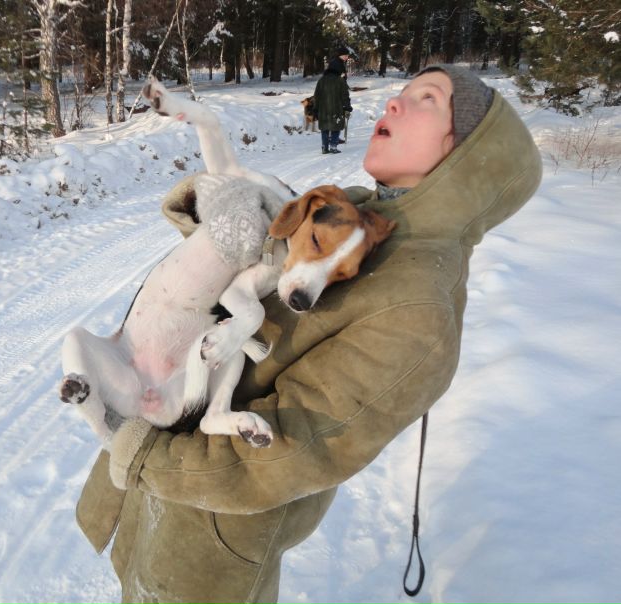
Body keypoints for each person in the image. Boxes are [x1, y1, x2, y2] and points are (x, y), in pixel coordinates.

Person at [73, 65, 542, 603]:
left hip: (206, 520)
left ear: (464, 153)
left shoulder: (418, 307)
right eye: (404, 91)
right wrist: (222, 216)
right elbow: (256, 263)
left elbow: (294, 449)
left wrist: (141, 456)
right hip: (169, 465)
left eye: (425, 100)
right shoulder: (366, 213)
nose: (394, 103)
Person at [313, 47, 352, 154]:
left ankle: (324, 147)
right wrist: (347, 106)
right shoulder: (339, 80)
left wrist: (315, 109)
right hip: (336, 106)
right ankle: (333, 146)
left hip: (323, 107)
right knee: (336, 126)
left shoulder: (321, 80)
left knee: (325, 127)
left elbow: (317, 95)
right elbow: (345, 95)